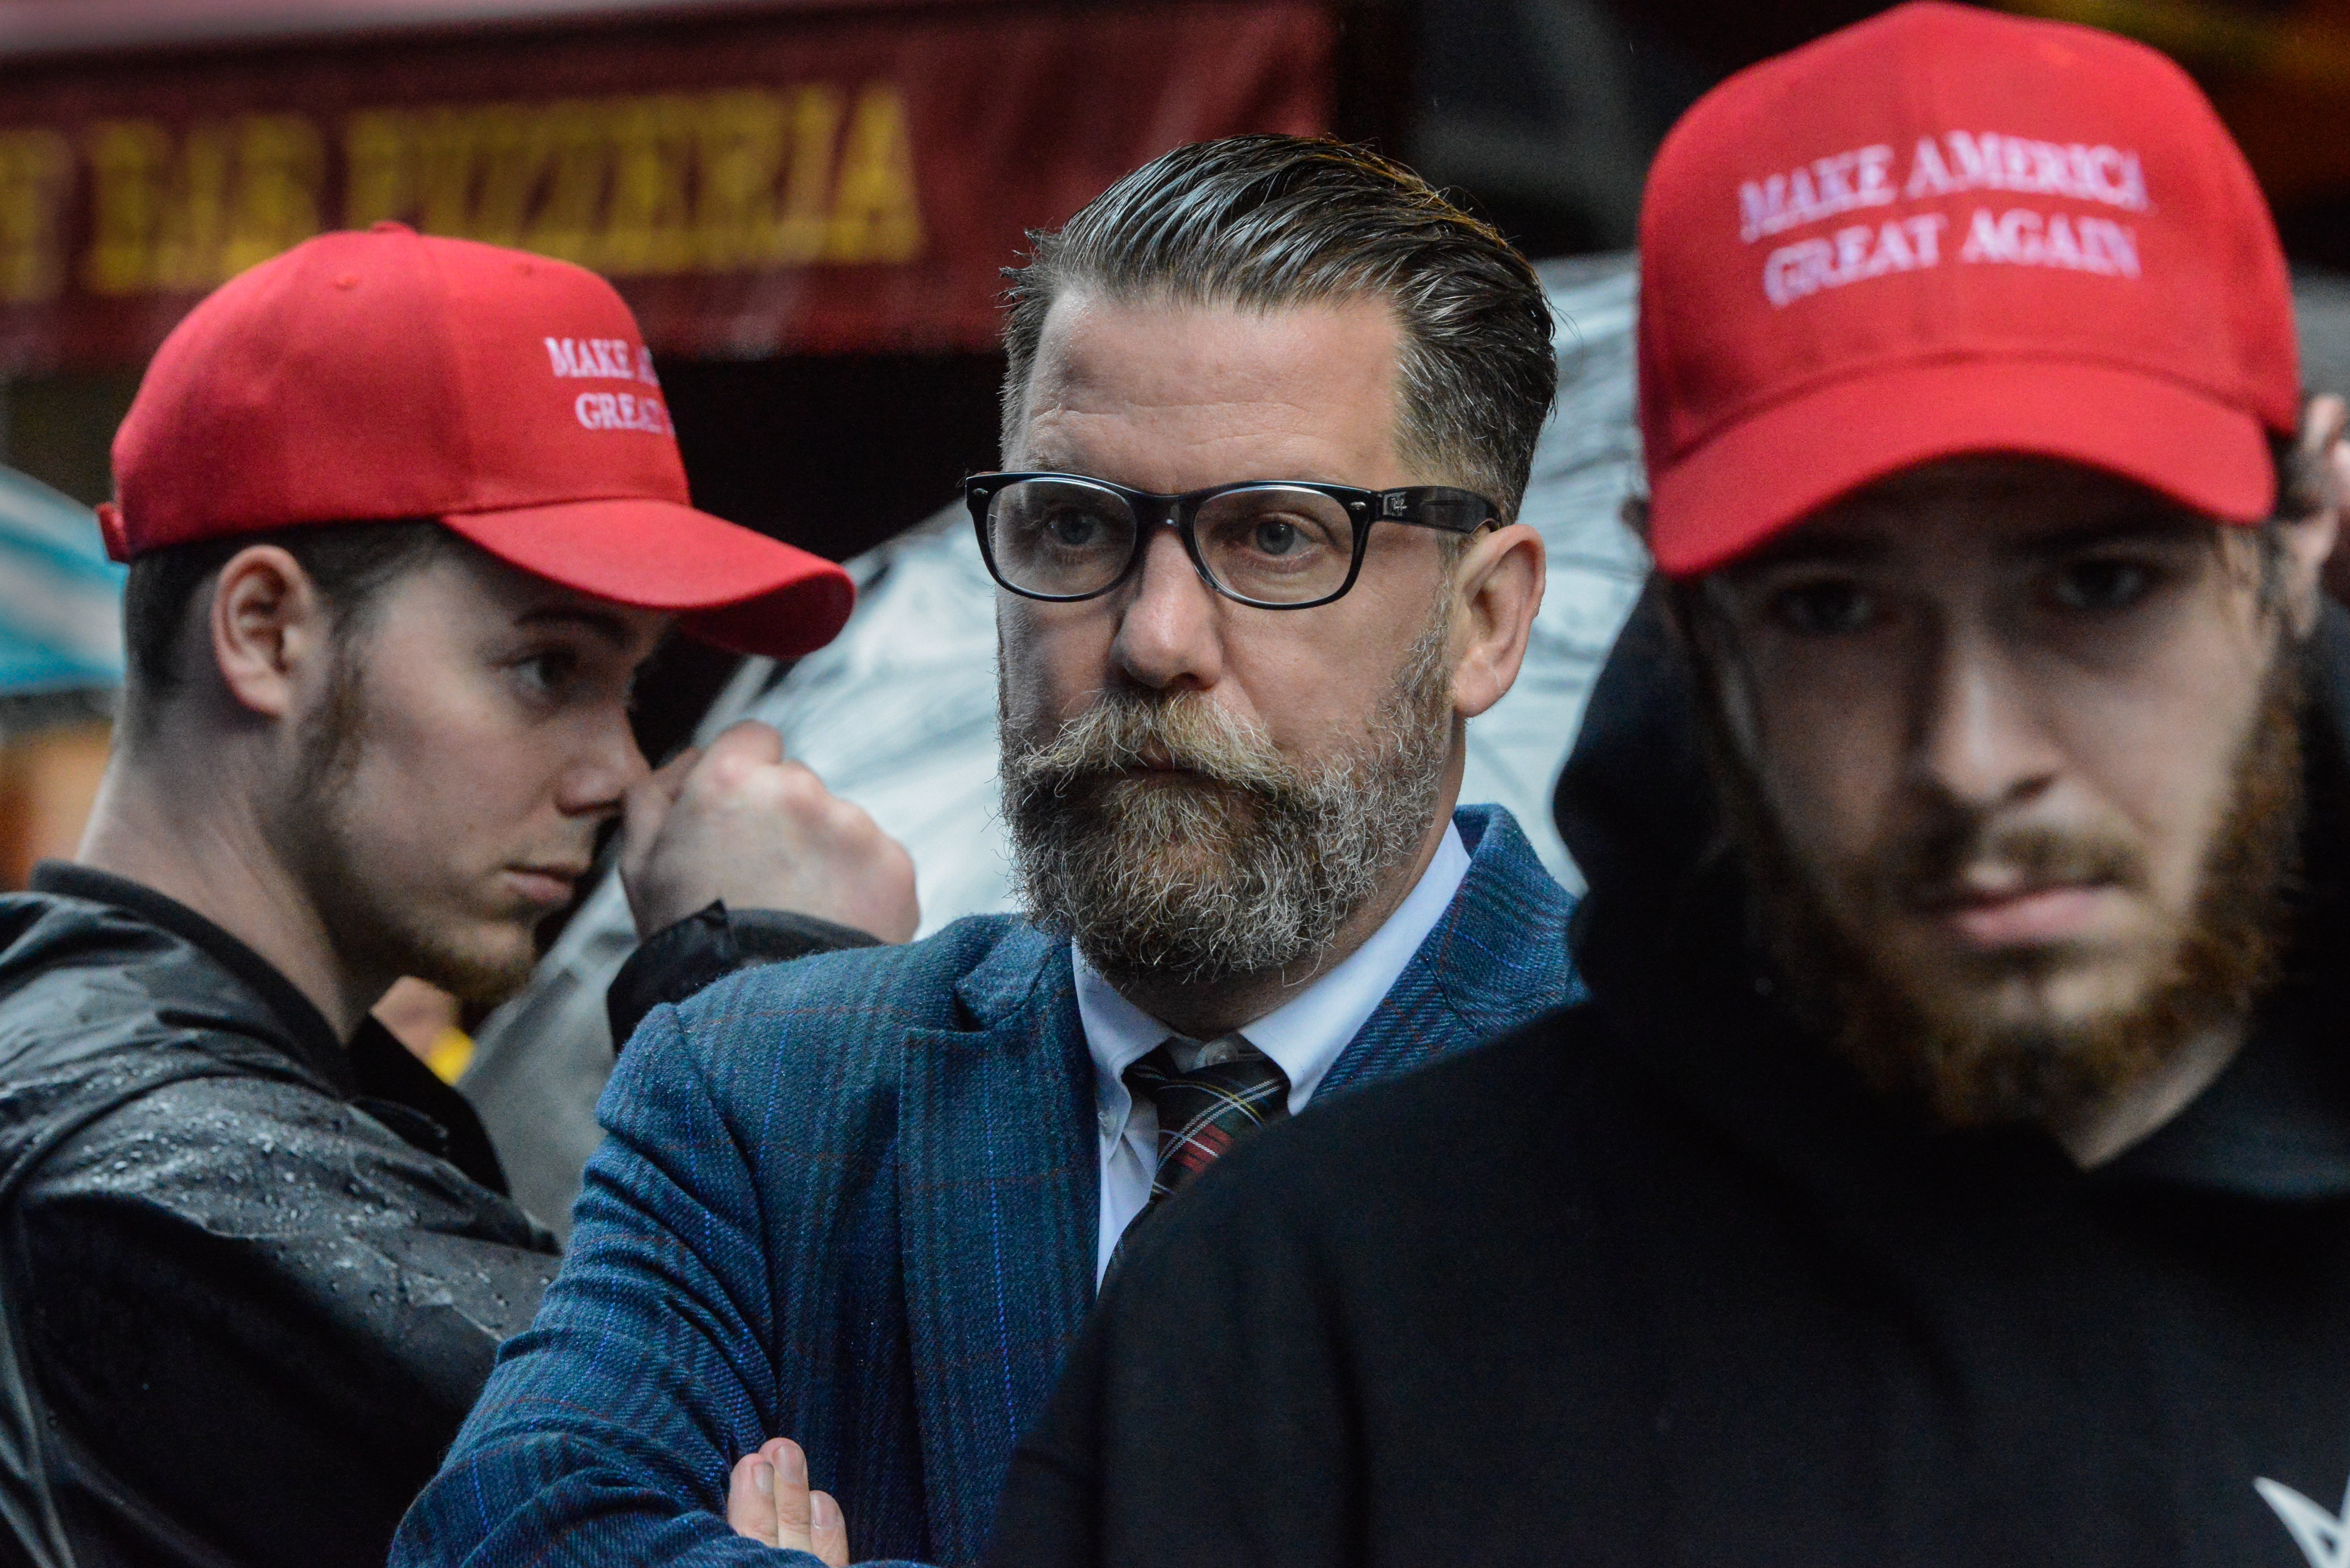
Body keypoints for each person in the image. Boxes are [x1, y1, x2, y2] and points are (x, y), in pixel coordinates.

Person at [984, 8, 2350, 1566]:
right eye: (1833, 608)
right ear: (1686, 623)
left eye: (2099, 586)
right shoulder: (1307, 1322)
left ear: (2304, 535)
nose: (1973, 759)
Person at [393, 133, 1577, 1568]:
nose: (1151, 640)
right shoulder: (763, 1092)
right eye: (1075, 527)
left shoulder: (1683, 1122)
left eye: (1276, 537)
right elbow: (509, 1536)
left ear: (1486, 620)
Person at [0, 223, 915, 1568]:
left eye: (635, 682)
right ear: (266, 631)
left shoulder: (153, 1065)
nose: (621, 772)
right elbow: (825, 1453)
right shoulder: (163, 1160)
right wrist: (769, 992)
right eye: (547, 666)